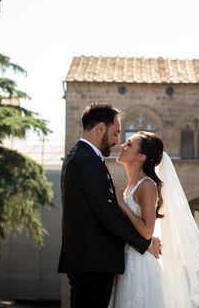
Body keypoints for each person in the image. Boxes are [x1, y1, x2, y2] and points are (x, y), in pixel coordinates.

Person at [58, 103, 161, 308]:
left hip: (91, 261)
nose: (117, 141)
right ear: (100, 129)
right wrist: (146, 245)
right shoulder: (86, 160)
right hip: (92, 262)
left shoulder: (82, 157)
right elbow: (108, 215)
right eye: (116, 134)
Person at [114, 131, 199, 308]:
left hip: (140, 266)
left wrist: (122, 204)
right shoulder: (130, 186)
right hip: (129, 261)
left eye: (129, 144)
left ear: (141, 157)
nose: (122, 145)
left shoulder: (147, 185)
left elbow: (146, 231)